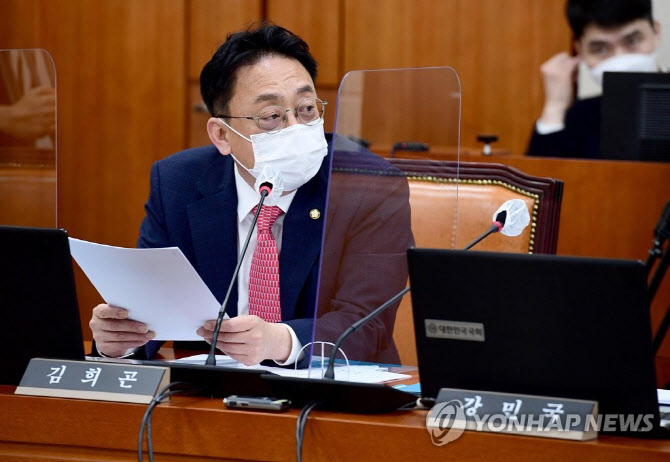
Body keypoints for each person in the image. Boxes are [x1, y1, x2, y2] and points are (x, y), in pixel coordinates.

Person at [88, 24, 413, 366]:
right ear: (221, 135)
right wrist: (120, 341)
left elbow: (368, 324)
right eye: (271, 116)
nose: (295, 129)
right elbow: (150, 309)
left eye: (306, 109)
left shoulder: (369, 185)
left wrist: (280, 342)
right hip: (206, 395)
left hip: (328, 396)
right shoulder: (178, 182)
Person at [527, 0, 663, 158]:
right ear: (580, 50)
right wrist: (554, 107)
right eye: (601, 49)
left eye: (632, 41)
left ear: (656, 32)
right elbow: (540, 176)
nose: (620, 58)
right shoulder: (579, 117)